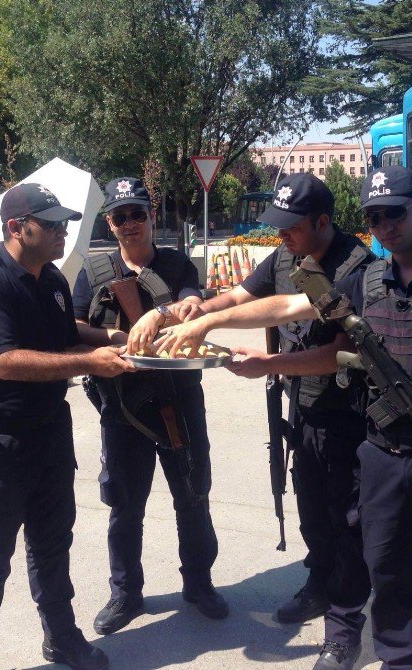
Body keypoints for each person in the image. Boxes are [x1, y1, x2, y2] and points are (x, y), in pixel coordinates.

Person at [156, 165, 412, 670]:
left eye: (395, 213)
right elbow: (291, 307)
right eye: (374, 218)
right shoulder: (367, 278)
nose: (385, 226)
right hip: (382, 453)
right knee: (390, 576)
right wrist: (217, 324)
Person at [144, 173, 374, 670]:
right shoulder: (288, 255)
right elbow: (240, 296)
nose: (281, 235)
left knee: (346, 523)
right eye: (277, 226)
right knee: (312, 510)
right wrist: (194, 308)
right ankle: (318, 584)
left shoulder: (356, 266)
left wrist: (260, 361)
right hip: (305, 410)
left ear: (323, 221)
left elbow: (327, 346)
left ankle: (344, 626)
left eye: (290, 227)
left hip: (348, 415)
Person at [0, 183, 135, 670]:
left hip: (50, 435)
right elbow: (5, 361)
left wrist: (111, 336)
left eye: (65, 223)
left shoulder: (50, 278)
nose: (63, 232)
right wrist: (91, 363)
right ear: (16, 228)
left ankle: (62, 639)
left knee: (53, 546)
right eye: (51, 225)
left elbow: (63, 334)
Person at [71, 177, 228, 637]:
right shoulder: (94, 270)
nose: (130, 224)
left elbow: (194, 305)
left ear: (152, 217)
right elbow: (76, 324)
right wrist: (115, 339)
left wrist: (159, 313)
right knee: (124, 504)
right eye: (120, 216)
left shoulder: (177, 264)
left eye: (138, 213)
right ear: (110, 223)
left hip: (177, 402)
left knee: (193, 496)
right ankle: (126, 593)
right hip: (122, 407)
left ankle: (199, 583)